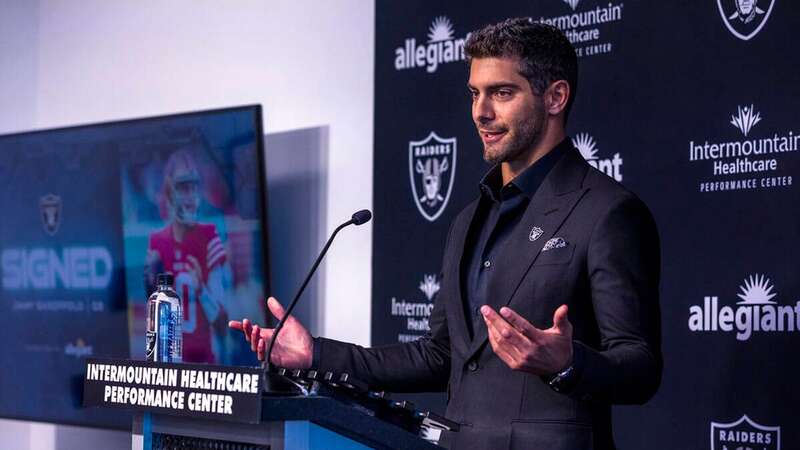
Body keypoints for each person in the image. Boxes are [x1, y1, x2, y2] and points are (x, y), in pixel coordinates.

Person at [231, 18, 661, 450]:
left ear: (555, 97)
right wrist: (316, 355)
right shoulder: (469, 218)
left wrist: (567, 363)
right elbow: (439, 355)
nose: (481, 112)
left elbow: (640, 368)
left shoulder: (608, 211)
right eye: (475, 93)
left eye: (502, 93)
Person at [146, 148, 231, 364]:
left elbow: (222, 327)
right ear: (168, 191)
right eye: (183, 187)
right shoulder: (157, 242)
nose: (191, 196)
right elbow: (153, 334)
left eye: (194, 187)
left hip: (204, 370)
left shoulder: (209, 237)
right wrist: (149, 287)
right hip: (170, 371)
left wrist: (201, 290)